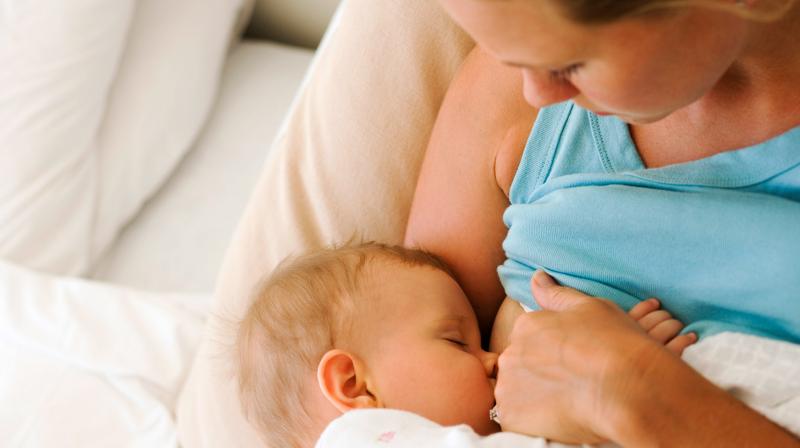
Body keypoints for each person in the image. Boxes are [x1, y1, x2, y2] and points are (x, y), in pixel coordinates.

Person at [404, 0, 800, 445]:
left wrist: (625, 391)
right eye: (511, 58)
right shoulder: (512, 96)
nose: (536, 93)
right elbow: (391, 376)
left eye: (570, 63)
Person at [234, 242, 694, 448]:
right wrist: (607, 381)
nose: (494, 359)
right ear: (354, 385)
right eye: (457, 342)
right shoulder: (366, 440)